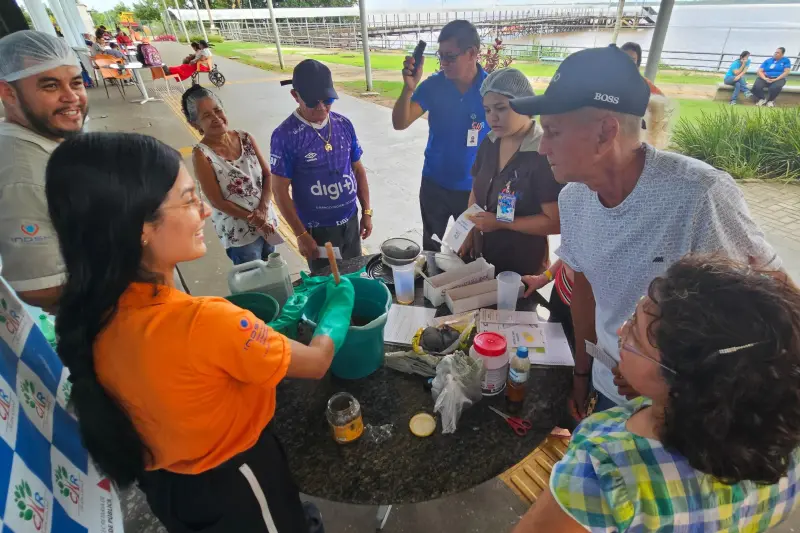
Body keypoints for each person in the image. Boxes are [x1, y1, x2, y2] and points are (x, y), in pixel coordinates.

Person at [46, 131, 352, 532]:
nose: (206, 212)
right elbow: (317, 361)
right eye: (190, 199)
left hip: (170, 487)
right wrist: (337, 308)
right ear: (140, 226)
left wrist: (257, 334)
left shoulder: (91, 311)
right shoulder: (203, 321)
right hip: (237, 484)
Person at [509, 44, 782, 419]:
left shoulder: (699, 194)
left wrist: (662, 379)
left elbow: (764, 313)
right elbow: (585, 288)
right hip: (608, 386)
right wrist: (582, 373)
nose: (542, 148)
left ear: (605, 133)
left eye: (553, 132)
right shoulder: (573, 198)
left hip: (687, 411)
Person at [513, 255, 800, 532]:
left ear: (682, 382)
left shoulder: (603, 472)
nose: (621, 330)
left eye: (636, 334)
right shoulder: (785, 451)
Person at [0, 30, 88, 312]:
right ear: (8, 92)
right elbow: (42, 288)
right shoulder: (24, 175)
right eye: (51, 86)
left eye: (76, 83)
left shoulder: (48, 142)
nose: (71, 97)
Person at [392, 20, 488, 252]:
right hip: (434, 184)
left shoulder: (491, 89)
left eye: (450, 57)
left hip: (473, 191)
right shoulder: (433, 86)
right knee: (431, 249)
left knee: (470, 252)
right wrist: (408, 88)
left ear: (472, 53)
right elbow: (400, 123)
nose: (443, 63)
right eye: (440, 56)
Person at [271, 59, 372, 271]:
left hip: (350, 221)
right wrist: (300, 234)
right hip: (316, 231)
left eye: (327, 100)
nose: (321, 108)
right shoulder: (285, 136)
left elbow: (358, 170)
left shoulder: (344, 124)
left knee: (355, 274)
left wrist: (366, 212)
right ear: (295, 95)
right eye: (312, 102)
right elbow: (279, 191)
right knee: (328, 283)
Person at [460, 68, 562, 276]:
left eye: (501, 108)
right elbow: (476, 190)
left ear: (525, 105)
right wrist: (468, 229)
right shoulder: (490, 142)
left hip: (521, 263)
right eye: (487, 110)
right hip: (483, 254)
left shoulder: (542, 153)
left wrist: (501, 223)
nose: (492, 117)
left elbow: (555, 222)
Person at [182, 85, 279, 265]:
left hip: (268, 222)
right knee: (254, 277)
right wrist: (255, 219)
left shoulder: (245, 137)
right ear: (195, 124)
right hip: (241, 235)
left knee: (275, 271)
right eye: (206, 115)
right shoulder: (202, 155)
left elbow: (268, 175)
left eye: (217, 110)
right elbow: (217, 201)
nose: (216, 118)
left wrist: (263, 209)